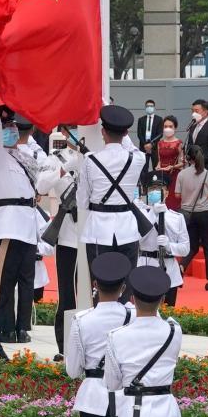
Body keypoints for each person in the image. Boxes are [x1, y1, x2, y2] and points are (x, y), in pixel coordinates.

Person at [65, 105, 147, 290]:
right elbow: (131, 147)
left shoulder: (90, 160)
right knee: (126, 288)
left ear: (103, 132)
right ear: (126, 132)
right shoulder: (137, 158)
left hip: (98, 230)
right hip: (127, 229)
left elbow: (83, 201)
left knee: (100, 288)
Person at [0, 86, 38, 345]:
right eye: (6, 127)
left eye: (13, 126)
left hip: (27, 224)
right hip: (7, 226)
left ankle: (15, 329)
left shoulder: (25, 157)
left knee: (23, 280)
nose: (11, 130)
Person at [104, 266, 183, 417]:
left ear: (132, 300)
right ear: (162, 301)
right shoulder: (174, 330)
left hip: (132, 416)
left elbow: (112, 383)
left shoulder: (116, 336)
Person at [66, 252, 135, 417]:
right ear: (123, 287)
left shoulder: (82, 320)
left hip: (93, 398)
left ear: (95, 285)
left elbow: (73, 371)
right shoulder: (133, 316)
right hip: (125, 396)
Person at [35, 129, 82, 360]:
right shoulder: (54, 159)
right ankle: (64, 347)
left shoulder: (94, 157)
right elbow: (41, 186)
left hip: (92, 235)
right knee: (67, 295)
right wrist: (65, 167)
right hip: (68, 237)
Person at [137, 173, 190, 306]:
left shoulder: (177, 217)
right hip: (146, 266)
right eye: (151, 189)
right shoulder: (140, 215)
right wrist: (152, 214)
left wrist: (169, 246)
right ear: (146, 193)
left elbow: (185, 249)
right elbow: (136, 238)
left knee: (168, 312)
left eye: (159, 188)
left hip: (169, 269)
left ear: (166, 193)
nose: (155, 192)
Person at [178, 146, 208, 291]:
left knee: (192, 247)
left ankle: (181, 266)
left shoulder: (182, 174)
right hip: (205, 213)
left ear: (188, 158)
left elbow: (177, 195)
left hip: (188, 214)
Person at [185, 99, 208, 175]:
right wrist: (188, 157)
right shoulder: (192, 127)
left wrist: (200, 159)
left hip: (207, 169)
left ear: (205, 112)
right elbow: (190, 145)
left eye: (196, 111)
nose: (193, 114)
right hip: (192, 168)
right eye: (192, 111)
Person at [155, 116, 184, 210]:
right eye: (165, 126)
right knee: (161, 200)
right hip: (162, 176)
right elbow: (159, 160)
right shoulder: (160, 143)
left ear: (175, 128)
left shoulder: (178, 143)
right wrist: (158, 166)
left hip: (174, 176)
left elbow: (182, 162)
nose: (167, 128)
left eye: (170, 126)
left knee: (173, 201)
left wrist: (172, 166)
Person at [136, 100, 163, 170]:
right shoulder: (141, 119)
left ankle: (155, 181)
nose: (149, 108)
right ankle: (144, 181)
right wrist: (145, 144)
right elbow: (139, 134)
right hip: (143, 146)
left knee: (156, 167)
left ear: (154, 108)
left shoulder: (159, 119)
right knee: (144, 168)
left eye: (151, 106)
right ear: (145, 107)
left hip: (154, 146)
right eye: (147, 106)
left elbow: (160, 134)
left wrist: (151, 144)